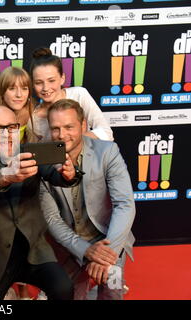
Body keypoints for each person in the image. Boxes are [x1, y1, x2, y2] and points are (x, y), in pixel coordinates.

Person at [0, 105, 81, 300]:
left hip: (34, 251)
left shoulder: (30, 152)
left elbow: (56, 172)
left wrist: (69, 174)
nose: (6, 134)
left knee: (63, 288)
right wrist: (5, 175)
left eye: (12, 127)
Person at [39, 98, 135, 300]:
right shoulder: (43, 160)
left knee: (113, 288)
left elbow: (124, 204)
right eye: (55, 128)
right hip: (68, 245)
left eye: (69, 127)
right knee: (70, 294)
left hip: (109, 239)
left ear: (83, 125)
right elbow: (51, 219)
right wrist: (86, 251)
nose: (62, 135)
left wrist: (106, 255)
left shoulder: (107, 151)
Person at [28, 47, 113, 142]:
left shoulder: (79, 95)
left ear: (62, 78)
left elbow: (106, 133)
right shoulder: (32, 118)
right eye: (39, 82)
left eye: (51, 80)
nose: (46, 88)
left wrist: (76, 141)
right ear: (32, 83)